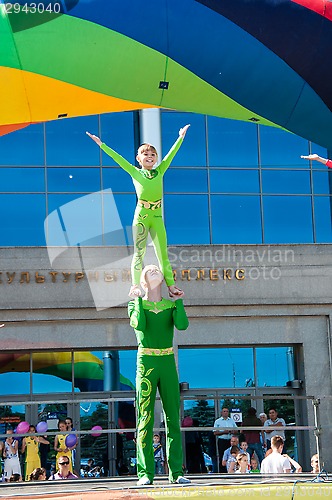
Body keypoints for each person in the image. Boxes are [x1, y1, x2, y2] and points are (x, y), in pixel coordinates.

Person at [86, 125, 190, 299]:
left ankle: (171, 287)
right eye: (145, 154)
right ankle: (135, 286)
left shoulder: (160, 170)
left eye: (152, 155)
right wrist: (101, 144)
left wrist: (180, 137)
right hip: (141, 216)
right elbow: (118, 158)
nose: (149, 157)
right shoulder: (134, 171)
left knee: (162, 254)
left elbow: (171, 154)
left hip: (157, 216)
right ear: (138, 158)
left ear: (156, 158)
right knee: (139, 253)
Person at [128, 264, 190, 485]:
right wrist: (136, 299)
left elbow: (182, 325)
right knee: (144, 417)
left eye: (157, 270)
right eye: (149, 270)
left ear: (163, 279)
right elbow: (139, 324)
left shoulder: (170, 306)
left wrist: (179, 300)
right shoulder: (136, 304)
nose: (154, 270)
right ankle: (145, 474)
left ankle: (176, 472)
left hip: (167, 360)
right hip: (146, 361)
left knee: (173, 417)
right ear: (143, 280)